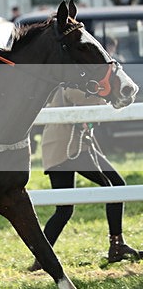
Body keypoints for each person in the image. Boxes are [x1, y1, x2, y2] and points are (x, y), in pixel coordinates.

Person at [28, 87, 140, 271]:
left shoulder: (71, 74)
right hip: (71, 148)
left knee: (64, 209)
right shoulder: (77, 78)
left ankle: (40, 260)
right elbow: (90, 103)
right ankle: (117, 246)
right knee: (115, 186)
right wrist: (110, 94)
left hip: (60, 147)